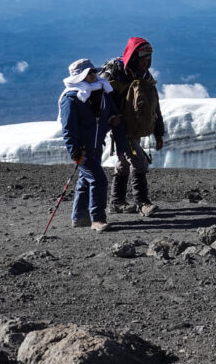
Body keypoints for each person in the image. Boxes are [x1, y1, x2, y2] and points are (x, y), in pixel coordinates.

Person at [100, 37, 166, 217]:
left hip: (132, 126)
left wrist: (158, 133)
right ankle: (142, 203)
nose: (147, 63)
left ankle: (117, 202)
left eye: (149, 59)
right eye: (144, 59)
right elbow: (101, 102)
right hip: (119, 126)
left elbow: (154, 106)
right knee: (138, 161)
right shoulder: (115, 73)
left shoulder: (143, 76)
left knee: (123, 163)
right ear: (135, 58)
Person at [59, 58, 124, 232]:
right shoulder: (71, 99)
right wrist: (75, 152)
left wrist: (112, 119)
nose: (94, 75)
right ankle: (97, 219)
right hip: (83, 150)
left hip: (96, 147)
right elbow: (68, 129)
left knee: (85, 181)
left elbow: (106, 116)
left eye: (94, 71)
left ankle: (79, 217)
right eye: (89, 73)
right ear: (79, 77)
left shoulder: (101, 92)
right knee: (99, 179)